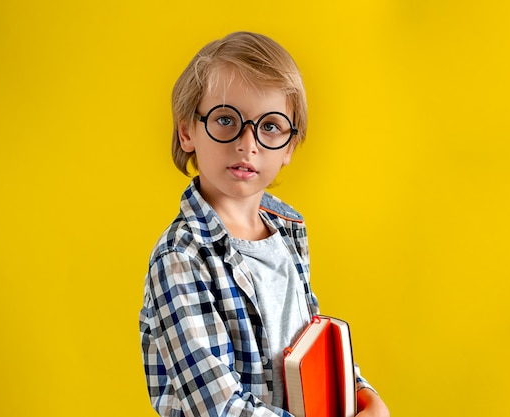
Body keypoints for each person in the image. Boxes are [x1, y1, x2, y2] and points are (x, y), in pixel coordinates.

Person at [139, 31, 389, 417]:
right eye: (226, 119)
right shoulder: (181, 258)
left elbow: (309, 343)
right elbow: (217, 407)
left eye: (270, 126)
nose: (247, 143)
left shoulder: (287, 230)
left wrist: (361, 394)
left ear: (289, 146)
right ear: (187, 130)